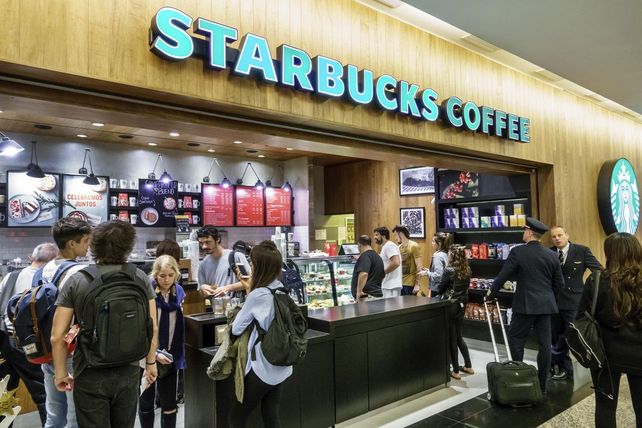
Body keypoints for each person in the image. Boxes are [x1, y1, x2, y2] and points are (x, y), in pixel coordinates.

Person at [51, 220, 158, 427]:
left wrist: (61, 373)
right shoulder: (140, 277)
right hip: (129, 368)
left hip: (89, 370)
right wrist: (151, 363)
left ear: (93, 245)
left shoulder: (78, 280)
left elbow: (57, 336)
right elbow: (152, 325)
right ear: (128, 246)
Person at [488, 217, 564, 395]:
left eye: (525, 230)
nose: (524, 233)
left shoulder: (518, 252)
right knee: (545, 345)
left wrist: (491, 293)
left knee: (516, 339)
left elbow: (503, 275)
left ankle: (519, 376)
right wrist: (547, 298)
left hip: (524, 305)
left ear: (529, 232)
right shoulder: (552, 255)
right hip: (545, 306)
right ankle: (542, 384)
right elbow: (559, 284)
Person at [577, 232, 642, 427]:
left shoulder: (597, 279)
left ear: (609, 253)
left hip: (604, 354)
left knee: (605, 407)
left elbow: (582, 315)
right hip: (639, 353)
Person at [228, 241, 293, 427]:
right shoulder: (281, 288)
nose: (250, 266)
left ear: (259, 267)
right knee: (271, 414)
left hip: (263, 366)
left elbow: (236, 328)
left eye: (252, 263)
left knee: (236, 418)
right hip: (282, 364)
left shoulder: (258, 295)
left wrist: (249, 291)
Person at [40, 218, 92, 428]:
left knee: (54, 415)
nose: (88, 246)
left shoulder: (45, 268)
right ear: (71, 243)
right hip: (71, 351)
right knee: (75, 417)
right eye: (86, 241)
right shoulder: (79, 272)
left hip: (48, 349)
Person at [0, 243, 57, 425]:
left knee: (4, 395)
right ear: (53, 261)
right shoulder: (48, 282)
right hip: (32, 346)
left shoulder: (11, 276)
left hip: (5, 342)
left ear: (32, 258)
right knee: (44, 396)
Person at [549, 226, 602, 381]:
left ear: (567, 235)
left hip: (574, 301)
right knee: (555, 335)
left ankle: (564, 361)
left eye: (560, 235)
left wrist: (589, 291)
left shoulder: (581, 251)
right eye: (553, 236)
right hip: (553, 301)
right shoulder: (549, 252)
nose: (557, 238)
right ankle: (563, 369)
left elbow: (598, 271)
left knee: (569, 333)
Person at [139, 255, 186, 428]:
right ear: (155, 275)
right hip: (148, 354)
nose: (166, 280)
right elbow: (142, 327)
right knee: (146, 400)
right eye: (162, 276)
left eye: (170, 275)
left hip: (170, 354)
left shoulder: (178, 292)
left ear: (176, 275)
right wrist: (155, 352)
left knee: (169, 403)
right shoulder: (147, 292)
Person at [437, 245, 474, 380]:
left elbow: (440, 288)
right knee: (459, 336)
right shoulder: (467, 270)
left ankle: (456, 371)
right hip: (462, 305)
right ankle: (468, 366)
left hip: (450, 306)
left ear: (452, 255)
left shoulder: (449, 270)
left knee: (452, 339)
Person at [196, 226, 251, 299]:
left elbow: (250, 282)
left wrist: (228, 288)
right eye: (201, 243)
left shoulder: (236, 256)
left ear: (218, 239)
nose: (204, 246)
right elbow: (201, 292)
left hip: (236, 304)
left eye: (207, 242)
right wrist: (203, 289)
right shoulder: (203, 264)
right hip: (216, 305)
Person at [418, 232, 451, 302]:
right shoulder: (446, 254)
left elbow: (439, 276)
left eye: (433, 241)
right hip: (445, 289)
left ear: (439, 243)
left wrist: (426, 273)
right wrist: (429, 271)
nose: (432, 243)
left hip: (437, 291)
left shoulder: (437, 256)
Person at [351, 235, 385, 301]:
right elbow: (382, 275)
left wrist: (359, 292)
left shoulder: (365, 256)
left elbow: (364, 274)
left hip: (367, 297)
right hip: (377, 295)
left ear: (359, 244)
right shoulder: (377, 256)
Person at [392, 225, 423, 296]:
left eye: (396, 235)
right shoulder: (399, 247)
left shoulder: (413, 246)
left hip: (410, 283)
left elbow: (419, 266)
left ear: (400, 234)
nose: (395, 238)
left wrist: (417, 284)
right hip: (400, 283)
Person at [374, 226, 401, 298]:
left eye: (377, 235)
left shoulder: (389, 246)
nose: (374, 237)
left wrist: (382, 273)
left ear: (383, 236)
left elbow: (396, 262)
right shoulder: (386, 246)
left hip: (391, 286)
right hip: (388, 285)